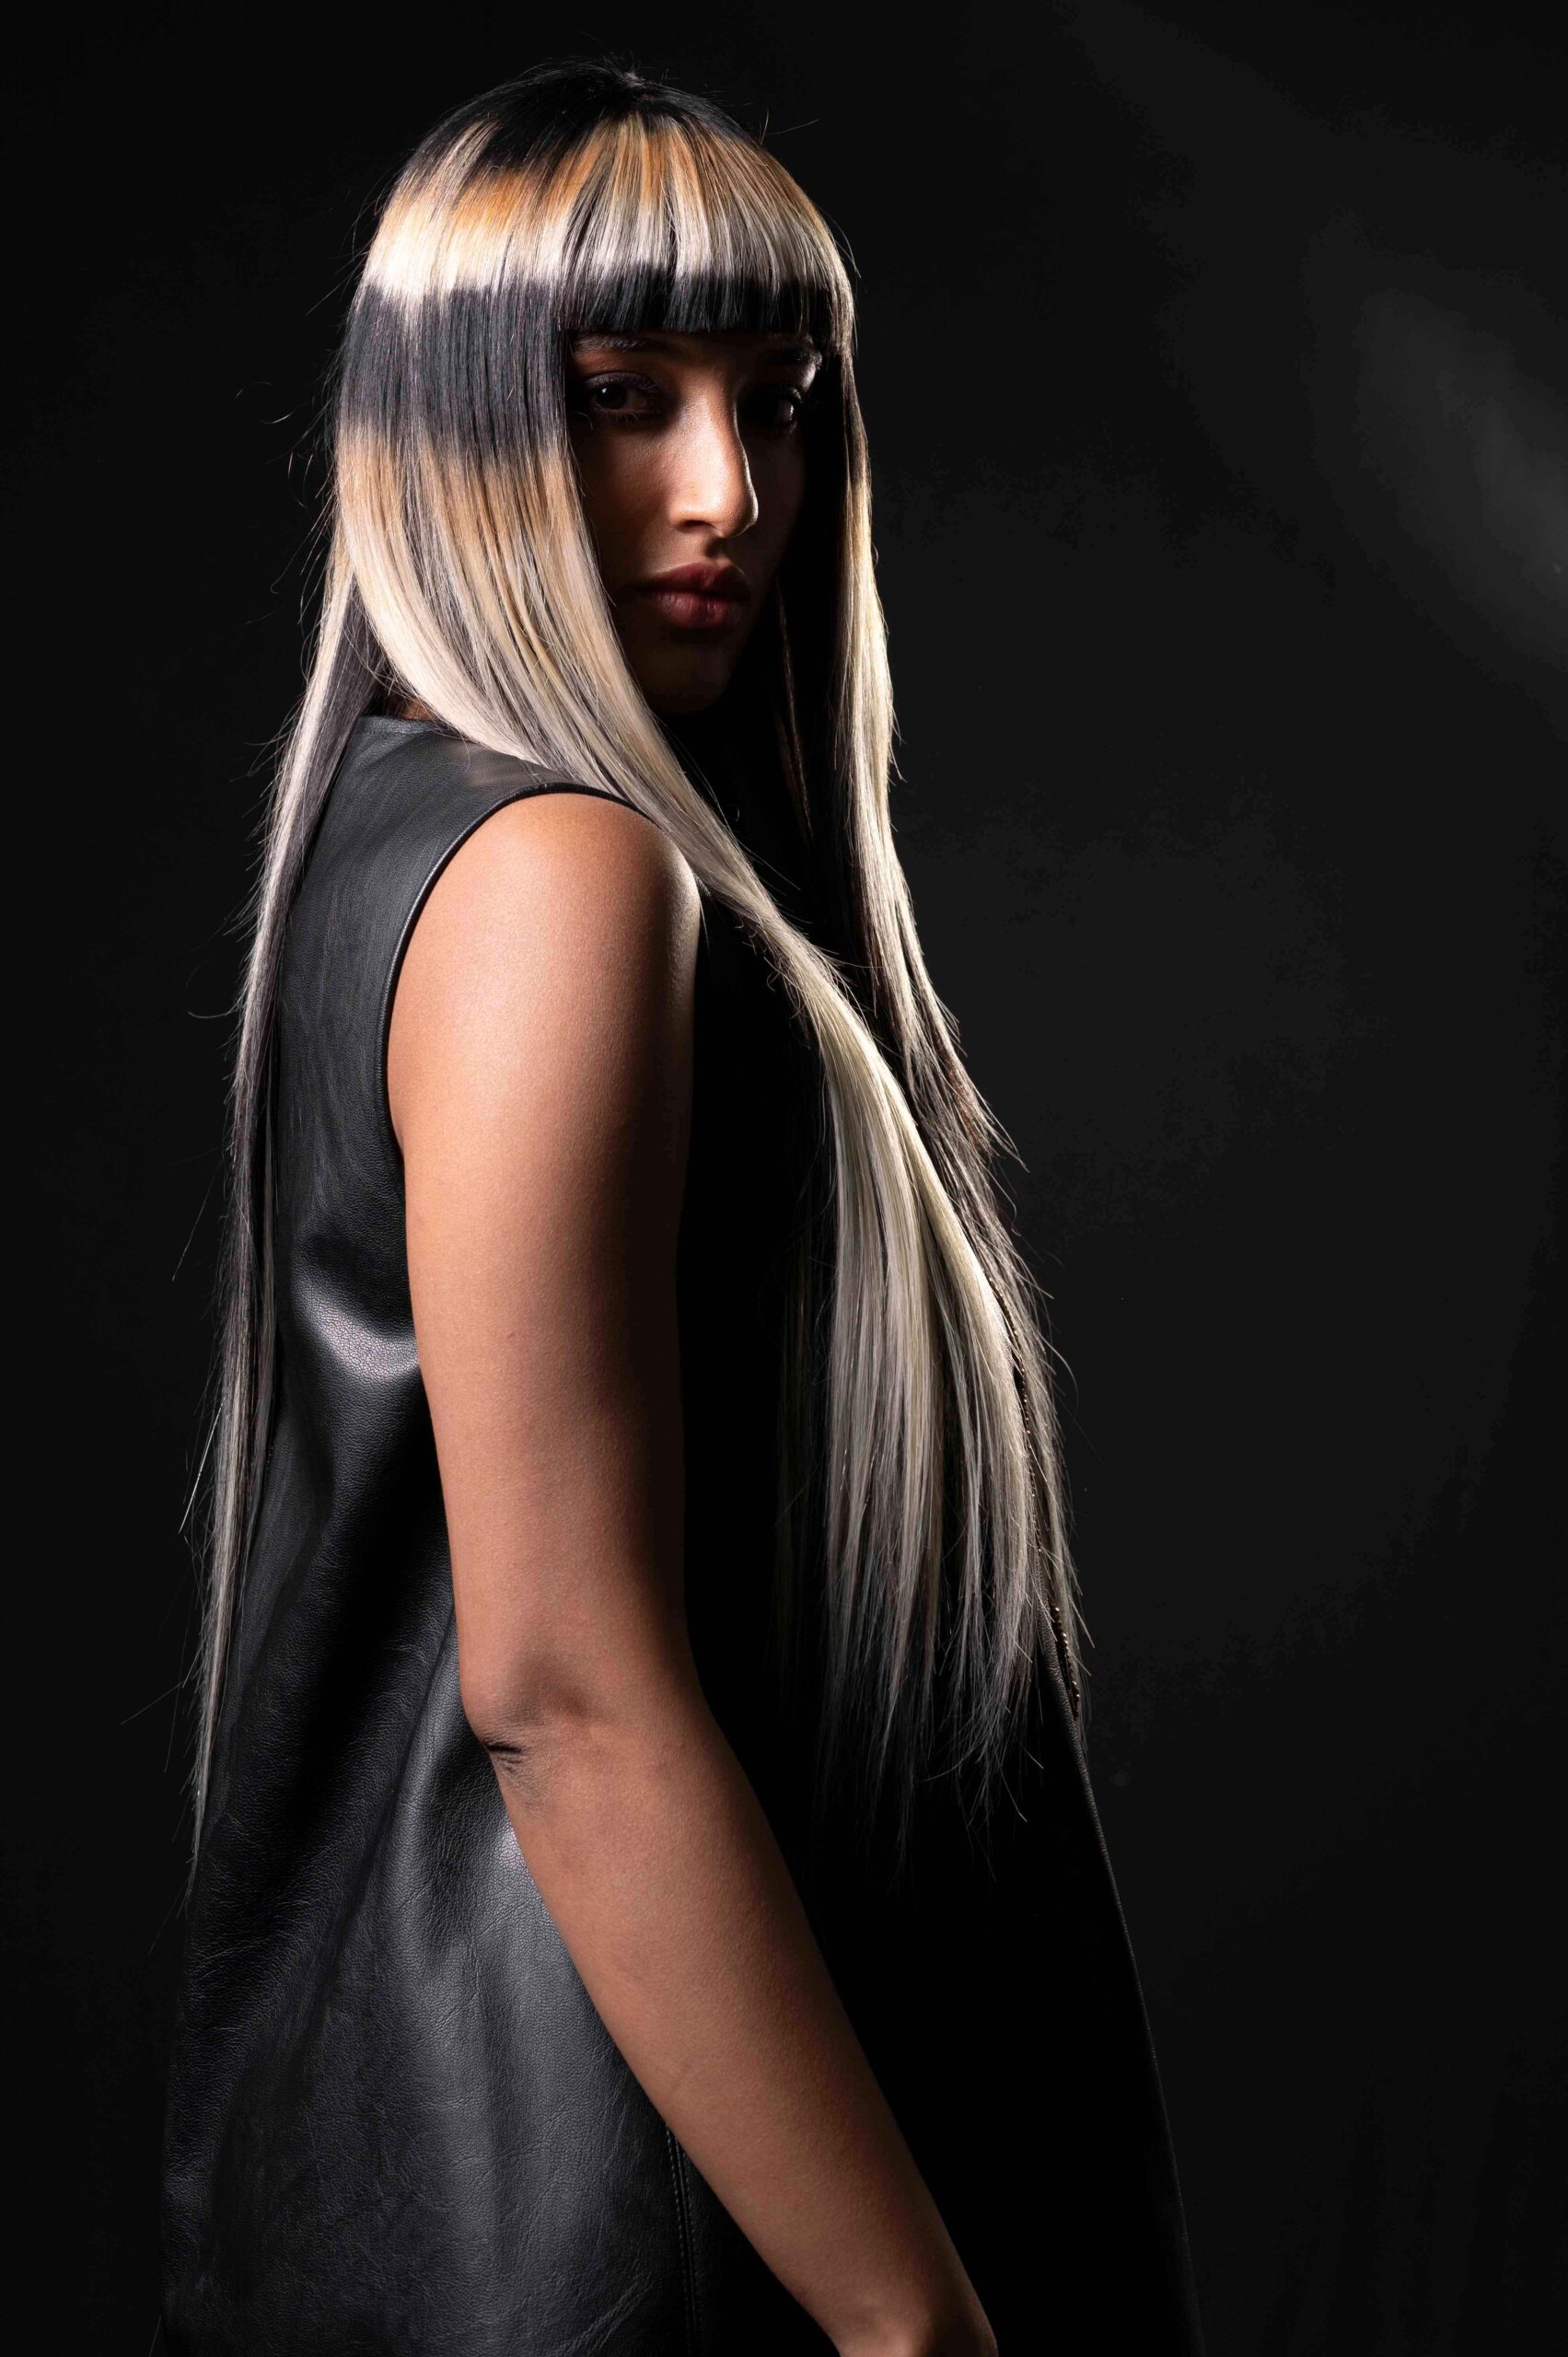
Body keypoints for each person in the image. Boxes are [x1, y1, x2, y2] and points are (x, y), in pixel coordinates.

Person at [159, 56, 1206, 2356]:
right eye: (625, 396)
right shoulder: (559, 873)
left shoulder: (402, 848)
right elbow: (565, 1692)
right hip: (645, 2241)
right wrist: (910, 2318)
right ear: (446, 430)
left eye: (782, 402)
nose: (728, 489)